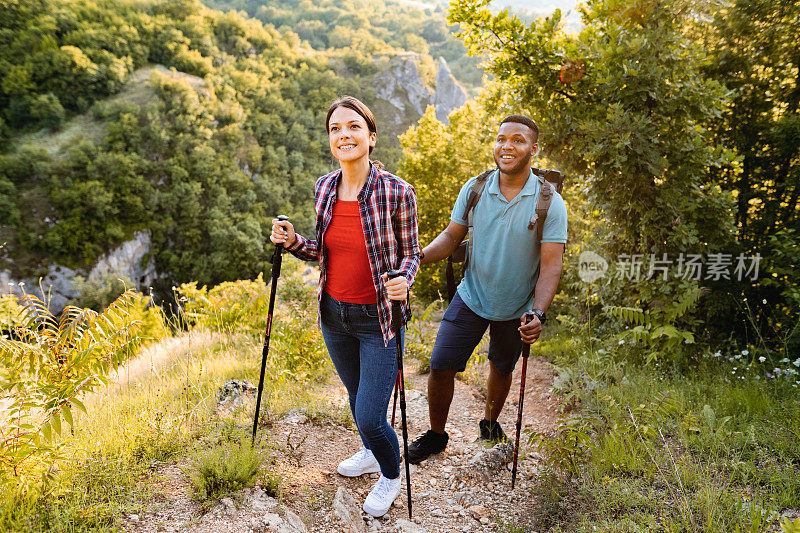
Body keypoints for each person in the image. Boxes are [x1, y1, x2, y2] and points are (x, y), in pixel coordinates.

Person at [270, 96, 420, 517]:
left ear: (371, 138)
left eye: (353, 127)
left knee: (371, 415)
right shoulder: (325, 187)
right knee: (358, 402)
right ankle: (372, 452)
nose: (344, 135)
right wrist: (294, 242)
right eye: (335, 129)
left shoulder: (397, 192)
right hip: (334, 315)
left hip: (379, 320)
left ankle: (391, 474)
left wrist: (403, 281)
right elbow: (325, 250)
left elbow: (412, 254)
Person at [407, 114, 567, 463]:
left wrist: (538, 312)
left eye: (518, 140)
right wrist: (416, 258)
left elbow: (552, 265)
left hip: (518, 305)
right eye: (501, 138)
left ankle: (490, 424)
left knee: (502, 367)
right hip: (471, 295)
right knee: (440, 365)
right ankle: (436, 436)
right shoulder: (476, 188)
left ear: (533, 149)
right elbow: (452, 236)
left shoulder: (549, 202)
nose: (507, 145)